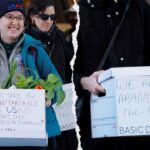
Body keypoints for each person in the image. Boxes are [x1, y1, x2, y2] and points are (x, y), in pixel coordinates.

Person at [73, 0, 150, 150]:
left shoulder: (140, 8)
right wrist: (83, 82)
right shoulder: (80, 12)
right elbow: (65, 67)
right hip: (98, 122)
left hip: (139, 122)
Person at [0, 0, 62, 149]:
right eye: (9, 16)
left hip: (30, 132)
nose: (15, 22)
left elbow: (56, 82)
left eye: (19, 18)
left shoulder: (33, 48)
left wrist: (50, 96)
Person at [25, 0, 78, 150]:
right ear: (32, 17)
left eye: (53, 17)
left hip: (62, 104)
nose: (49, 21)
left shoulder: (59, 36)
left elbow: (67, 70)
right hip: (38, 108)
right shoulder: (25, 42)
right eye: (44, 17)